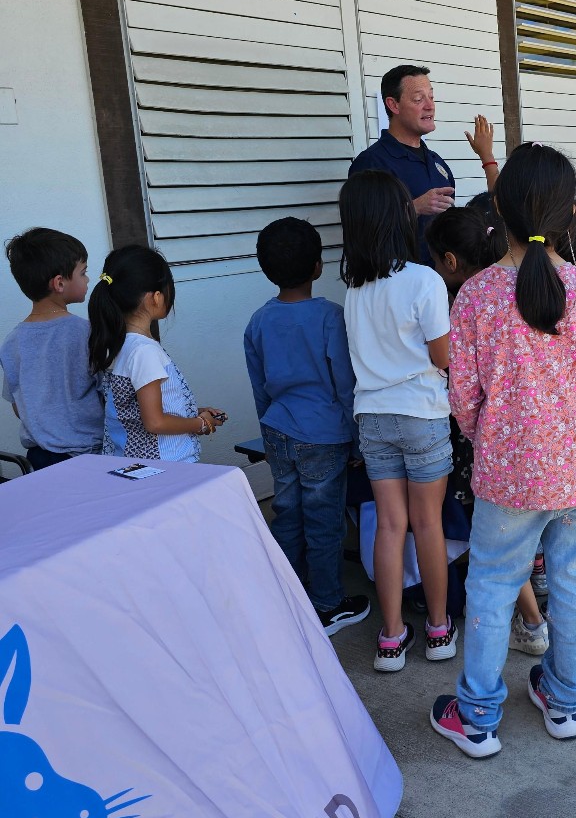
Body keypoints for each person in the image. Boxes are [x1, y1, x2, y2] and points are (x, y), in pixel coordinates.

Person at [430, 143, 576, 759]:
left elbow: (462, 398)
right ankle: (565, 703)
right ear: (569, 215)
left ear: (498, 208)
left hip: (507, 474)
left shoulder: (476, 297)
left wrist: (493, 439)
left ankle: (478, 717)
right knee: (572, 583)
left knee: (491, 584)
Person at [339, 169, 456, 672]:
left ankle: (390, 638)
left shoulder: (354, 291)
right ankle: (437, 629)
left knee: (389, 525)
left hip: (373, 418)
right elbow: (443, 354)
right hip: (422, 414)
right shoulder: (423, 279)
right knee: (427, 524)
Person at [425, 207, 550, 658]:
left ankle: (530, 623)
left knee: (494, 550)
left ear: (452, 261)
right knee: (517, 538)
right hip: (542, 446)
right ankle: (534, 615)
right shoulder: (539, 285)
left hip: (486, 443)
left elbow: (461, 386)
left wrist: (480, 434)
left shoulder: (468, 300)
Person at [244, 217, 368, 636]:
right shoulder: (331, 317)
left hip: (278, 430)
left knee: (287, 513)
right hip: (324, 436)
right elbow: (345, 386)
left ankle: (287, 595)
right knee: (324, 520)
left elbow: (260, 388)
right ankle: (328, 603)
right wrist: (356, 442)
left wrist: (267, 432)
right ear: (318, 266)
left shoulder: (258, 321)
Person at [89, 245, 225, 462]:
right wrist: (202, 424)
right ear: (156, 297)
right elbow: (155, 422)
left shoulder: (117, 344)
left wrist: (192, 410)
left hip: (130, 462)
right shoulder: (145, 352)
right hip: (167, 466)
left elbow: (135, 409)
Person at [348, 65, 496, 262]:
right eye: (419, 99)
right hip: (396, 286)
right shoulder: (371, 163)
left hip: (440, 284)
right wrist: (414, 208)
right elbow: (361, 231)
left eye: (431, 97)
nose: (430, 106)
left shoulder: (438, 164)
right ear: (394, 105)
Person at [1, 227, 102, 470]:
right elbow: (107, 393)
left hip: (38, 459)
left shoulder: (11, 342)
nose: (87, 279)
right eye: (83, 272)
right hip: (89, 456)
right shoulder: (87, 332)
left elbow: (18, 406)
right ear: (59, 283)